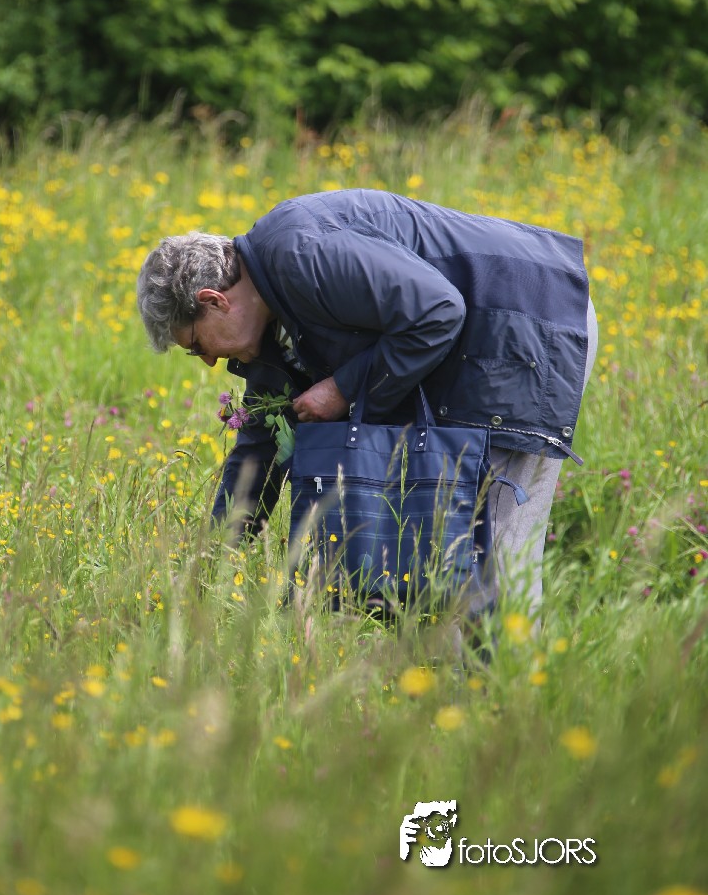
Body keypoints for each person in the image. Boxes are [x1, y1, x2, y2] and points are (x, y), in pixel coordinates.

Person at [136, 189, 597, 619]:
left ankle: (507, 677)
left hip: (525, 324)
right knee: (439, 556)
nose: (209, 360)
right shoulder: (270, 313)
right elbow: (260, 448)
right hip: (487, 337)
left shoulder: (301, 255)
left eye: (195, 345)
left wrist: (340, 389)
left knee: (490, 547)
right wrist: (209, 566)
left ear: (214, 301)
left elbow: (438, 310)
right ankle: (455, 676)